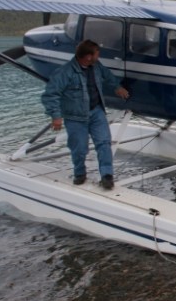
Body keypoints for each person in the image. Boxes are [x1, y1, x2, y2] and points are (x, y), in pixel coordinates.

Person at [42, 39, 130, 189]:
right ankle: (79, 173)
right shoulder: (64, 72)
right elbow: (50, 95)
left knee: (104, 142)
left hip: (96, 111)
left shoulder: (96, 66)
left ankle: (107, 175)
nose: (98, 57)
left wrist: (117, 87)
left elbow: (107, 75)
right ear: (88, 56)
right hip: (75, 117)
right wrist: (56, 116)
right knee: (80, 148)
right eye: (97, 54)